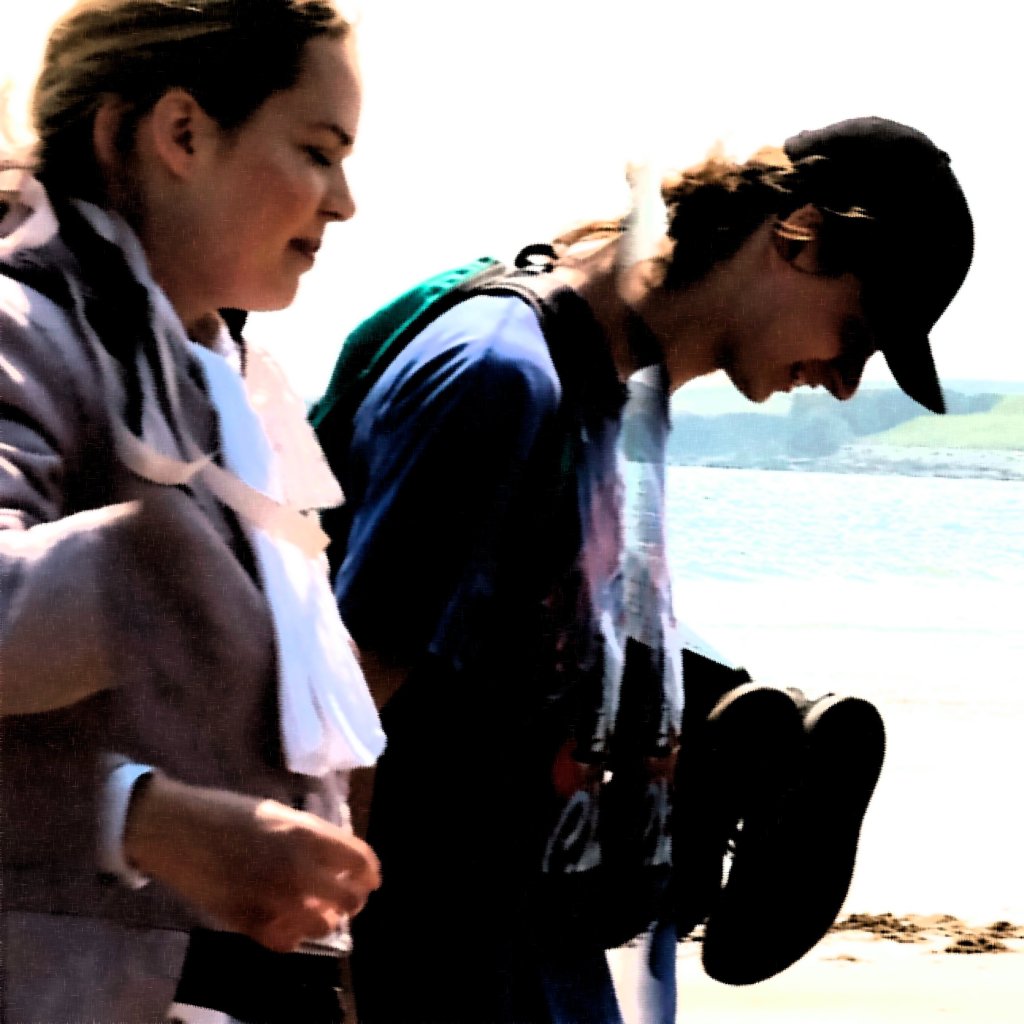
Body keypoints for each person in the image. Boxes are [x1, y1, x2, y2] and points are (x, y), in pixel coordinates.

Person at [317, 117, 973, 1023]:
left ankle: (713, 732)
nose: (845, 381)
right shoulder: (500, 374)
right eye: (857, 334)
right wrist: (330, 981)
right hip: (431, 946)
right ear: (801, 237)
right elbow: (342, 709)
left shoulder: (598, 372)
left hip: (522, 930)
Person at [0, 2, 386, 1022]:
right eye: (317, 152)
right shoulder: (23, 331)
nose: (344, 201)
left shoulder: (221, 374)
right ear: (180, 133)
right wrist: (137, 817)